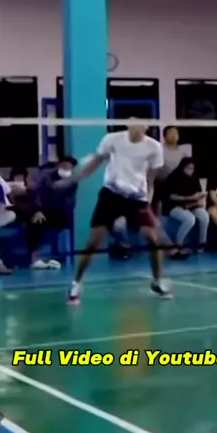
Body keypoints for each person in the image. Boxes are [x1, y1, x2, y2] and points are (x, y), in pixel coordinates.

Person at [67, 122, 171, 303]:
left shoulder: (154, 147)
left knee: (153, 240)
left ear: (146, 127)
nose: (136, 127)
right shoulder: (112, 139)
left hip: (137, 198)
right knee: (93, 243)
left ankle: (157, 281)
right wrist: (78, 178)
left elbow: (151, 179)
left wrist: (148, 202)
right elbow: (97, 161)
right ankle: (77, 283)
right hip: (111, 196)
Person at [28, 156, 79, 269]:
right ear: (58, 166)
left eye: (69, 167)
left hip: (61, 212)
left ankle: (48, 256)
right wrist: (38, 210)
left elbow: (69, 202)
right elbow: (38, 195)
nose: (66, 169)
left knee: (52, 224)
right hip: (44, 211)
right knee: (35, 223)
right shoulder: (47, 178)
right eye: (64, 166)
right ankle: (35, 258)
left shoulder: (73, 181)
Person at [162, 158, 209, 258]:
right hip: (174, 206)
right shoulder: (173, 178)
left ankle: (201, 244)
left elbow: (198, 194)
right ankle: (179, 245)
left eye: (192, 169)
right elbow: (170, 196)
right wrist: (188, 198)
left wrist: (199, 199)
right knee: (189, 219)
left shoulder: (194, 178)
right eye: (188, 168)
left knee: (204, 216)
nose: (190, 171)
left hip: (191, 205)